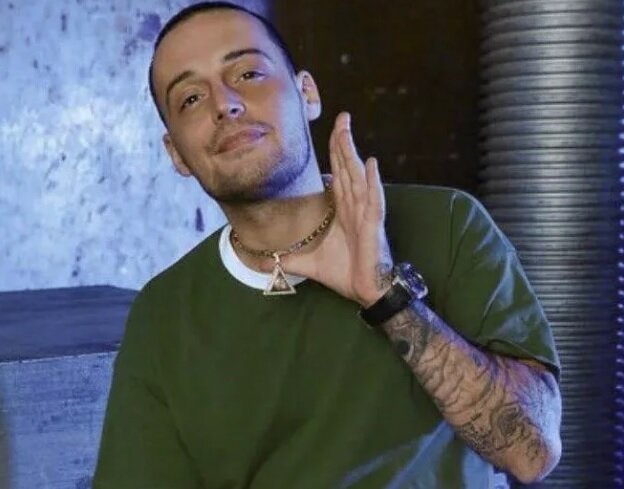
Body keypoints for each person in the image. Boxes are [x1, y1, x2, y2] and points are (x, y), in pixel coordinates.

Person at [93, 2, 562, 488]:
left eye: (249, 73)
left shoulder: (447, 223)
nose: (224, 104)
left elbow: (531, 452)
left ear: (307, 94)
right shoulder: (164, 314)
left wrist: (386, 296)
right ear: (176, 154)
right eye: (191, 98)